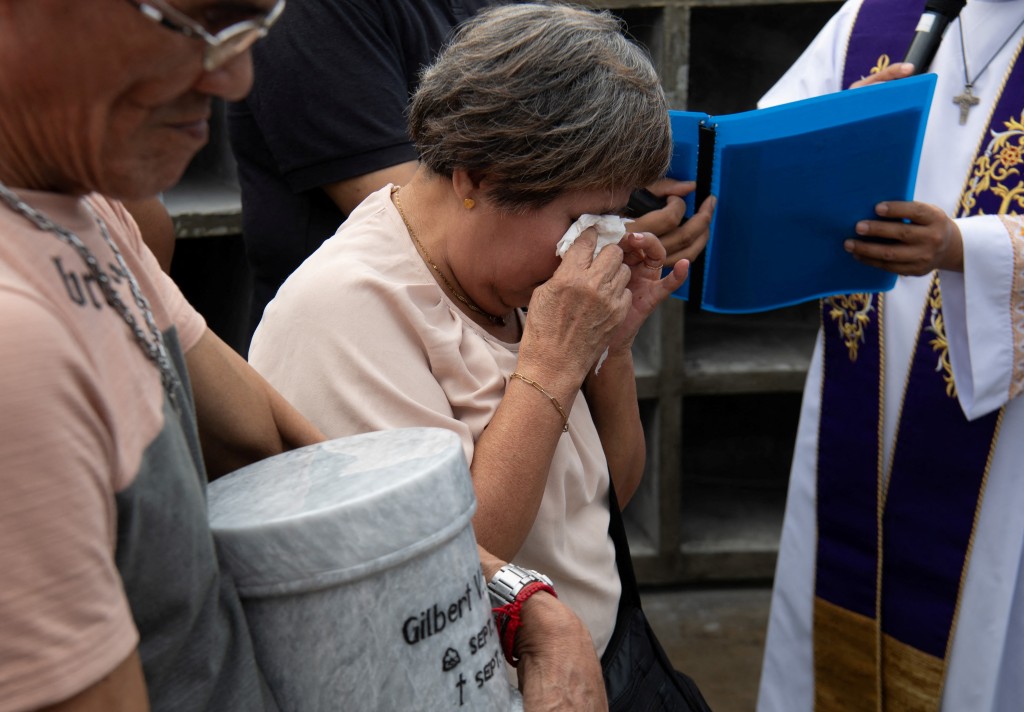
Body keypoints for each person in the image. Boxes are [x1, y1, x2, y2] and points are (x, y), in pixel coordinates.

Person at [0, 1, 609, 710]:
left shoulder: (87, 211)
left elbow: (275, 444)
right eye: (195, 24)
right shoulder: (19, 339)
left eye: (248, 29)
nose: (234, 78)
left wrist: (514, 598)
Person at [249, 3, 715, 705]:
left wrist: (610, 352)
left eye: (611, 217)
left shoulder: (516, 279)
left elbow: (607, 498)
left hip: (615, 660)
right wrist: (554, 364)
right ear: (473, 176)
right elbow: (444, 579)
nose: (594, 246)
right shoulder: (343, 314)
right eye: (579, 219)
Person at [753, 1, 1024, 710]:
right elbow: (763, 151)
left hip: (1004, 420)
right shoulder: (871, 19)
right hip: (860, 391)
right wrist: (835, 129)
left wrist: (964, 249)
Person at [228, 0, 702, 349]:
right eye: (593, 216)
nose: (604, 227)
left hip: (508, 310)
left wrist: (614, 178)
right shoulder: (316, 15)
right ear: (472, 178)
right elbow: (411, 212)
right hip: (387, 329)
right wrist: (603, 244)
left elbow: (614, 484)